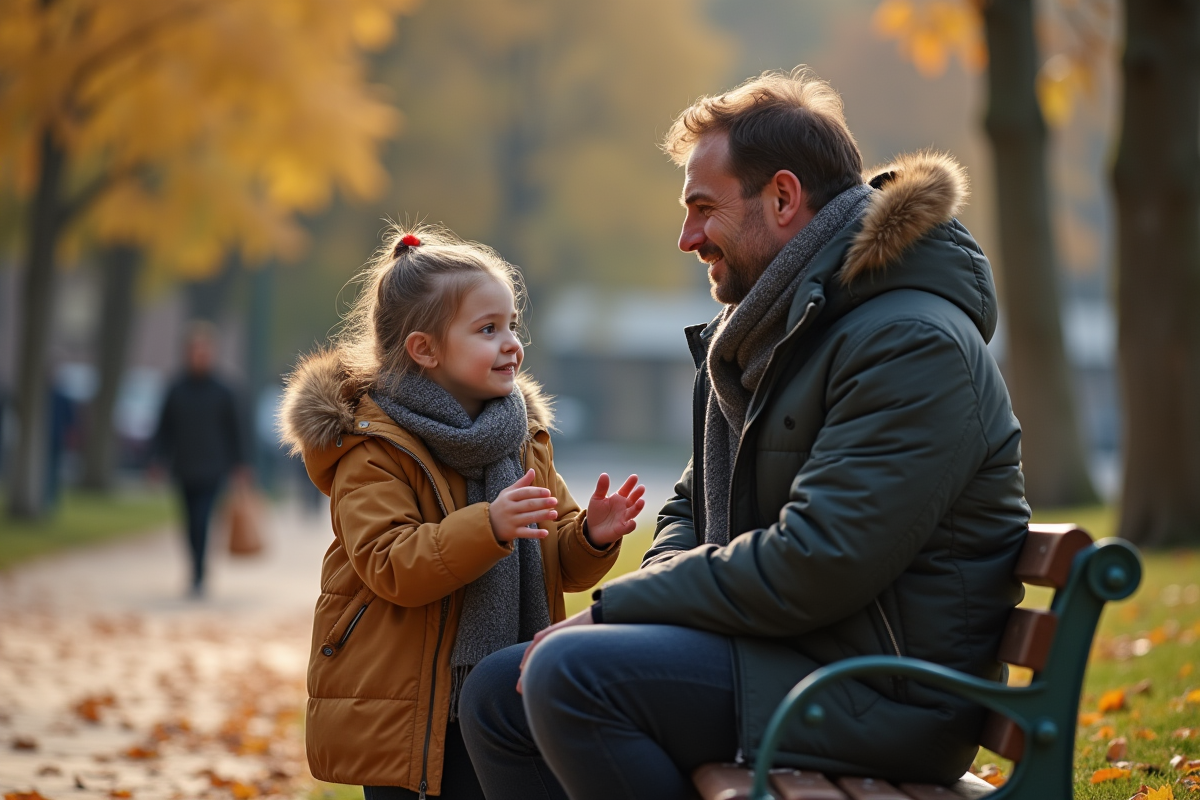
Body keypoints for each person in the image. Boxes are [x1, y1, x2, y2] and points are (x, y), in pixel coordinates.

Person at [457, 68, 1030, 799]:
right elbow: (690, 507)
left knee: (572, 676)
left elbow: (817, 560)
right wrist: (645, 603)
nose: (687, 237)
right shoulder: (766, 333)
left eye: (704, 208)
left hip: (884, 694)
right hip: (790, 656)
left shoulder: (909, 343)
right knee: (496, 692)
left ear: (784, 198)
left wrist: (618, 609)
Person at [277, 225, 645, 800]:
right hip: (409, 705)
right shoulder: (374, 448)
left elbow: (557, 565)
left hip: (500, 697)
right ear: (425, 349)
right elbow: (390, 563)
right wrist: (489, 527)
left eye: (512, 325)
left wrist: (591, 536)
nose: (511, 344)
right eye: (487, 329)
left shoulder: (520, 438)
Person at [152, 322, 247, 597]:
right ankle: (195, 565)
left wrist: (241, 464)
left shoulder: (224, 390)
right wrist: (157, 459)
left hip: (213, 468)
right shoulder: (176, 388)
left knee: (203, 518)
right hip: (184, 466)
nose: (200, 356)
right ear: (187, 352)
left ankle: (199, 572)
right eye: (196, 351)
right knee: (189, 521)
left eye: (205, 351)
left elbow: (236, 430)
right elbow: (164, 428)